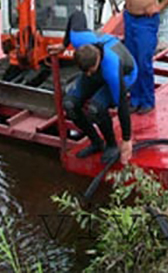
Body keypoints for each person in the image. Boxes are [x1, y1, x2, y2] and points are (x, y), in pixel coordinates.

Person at [48, 11, 137, 164]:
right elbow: (76, 15)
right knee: (69, 104)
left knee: (96, 108)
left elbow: (122, 104)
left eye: (89, 71)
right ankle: (96, 142)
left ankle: (111, 145)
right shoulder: (78, 39)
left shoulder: (112, 68)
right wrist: (64, 44)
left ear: (96, 62)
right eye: (85, 72)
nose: (87, 74)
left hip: (126, 75)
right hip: (99, 70)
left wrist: (127, 139)